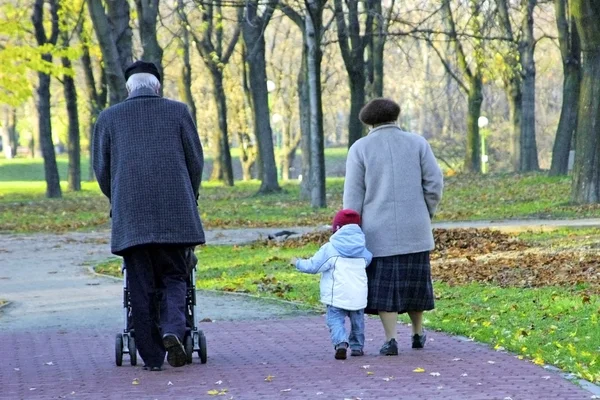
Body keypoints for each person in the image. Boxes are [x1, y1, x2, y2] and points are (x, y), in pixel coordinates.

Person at [93, 60, 205, 371]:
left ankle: (152, 357)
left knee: (139, 285)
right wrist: (189, 194)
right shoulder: (179, 112)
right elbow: (195, 160)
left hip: (131, 218)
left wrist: (118, 197)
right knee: (175, 275)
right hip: (175, 214)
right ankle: (173, 329)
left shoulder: (108, 118)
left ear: (128, 89)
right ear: (157, 87)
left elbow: (102, 170)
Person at [343, 98, 443, 356]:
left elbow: (353, 195)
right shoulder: (417, 143)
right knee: (415, 284)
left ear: (369, 122)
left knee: (386, 288)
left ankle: (391, 339)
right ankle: (418, 332)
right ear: (395, 117)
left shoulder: (360, 148)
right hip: (416, 229)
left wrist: (351, 227)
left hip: (377, 232)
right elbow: (434, 183)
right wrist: (425, 212)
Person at [291, 209, 372, 360]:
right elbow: (368, 260)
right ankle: (357, 347)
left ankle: (341, 342)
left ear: (337, 229)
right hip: (358, 295)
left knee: (335, 320)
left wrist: (297, 262)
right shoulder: (363, 249)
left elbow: (313, 266)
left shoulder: (330, 248)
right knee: (358, 322)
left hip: (337, 295)